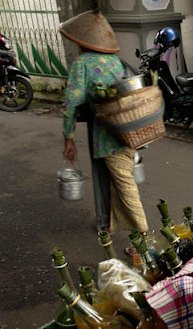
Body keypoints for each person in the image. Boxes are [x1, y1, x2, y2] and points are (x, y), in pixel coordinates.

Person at [59, 10, 149, 234]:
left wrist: (68, 138)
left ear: (82, 42)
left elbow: (70, 103)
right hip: (128, 131)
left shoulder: (82, 64)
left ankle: (146, 239)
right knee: (116, 182)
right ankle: (111, 224)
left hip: (108, 137)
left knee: (125, 187)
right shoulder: (116, 61)